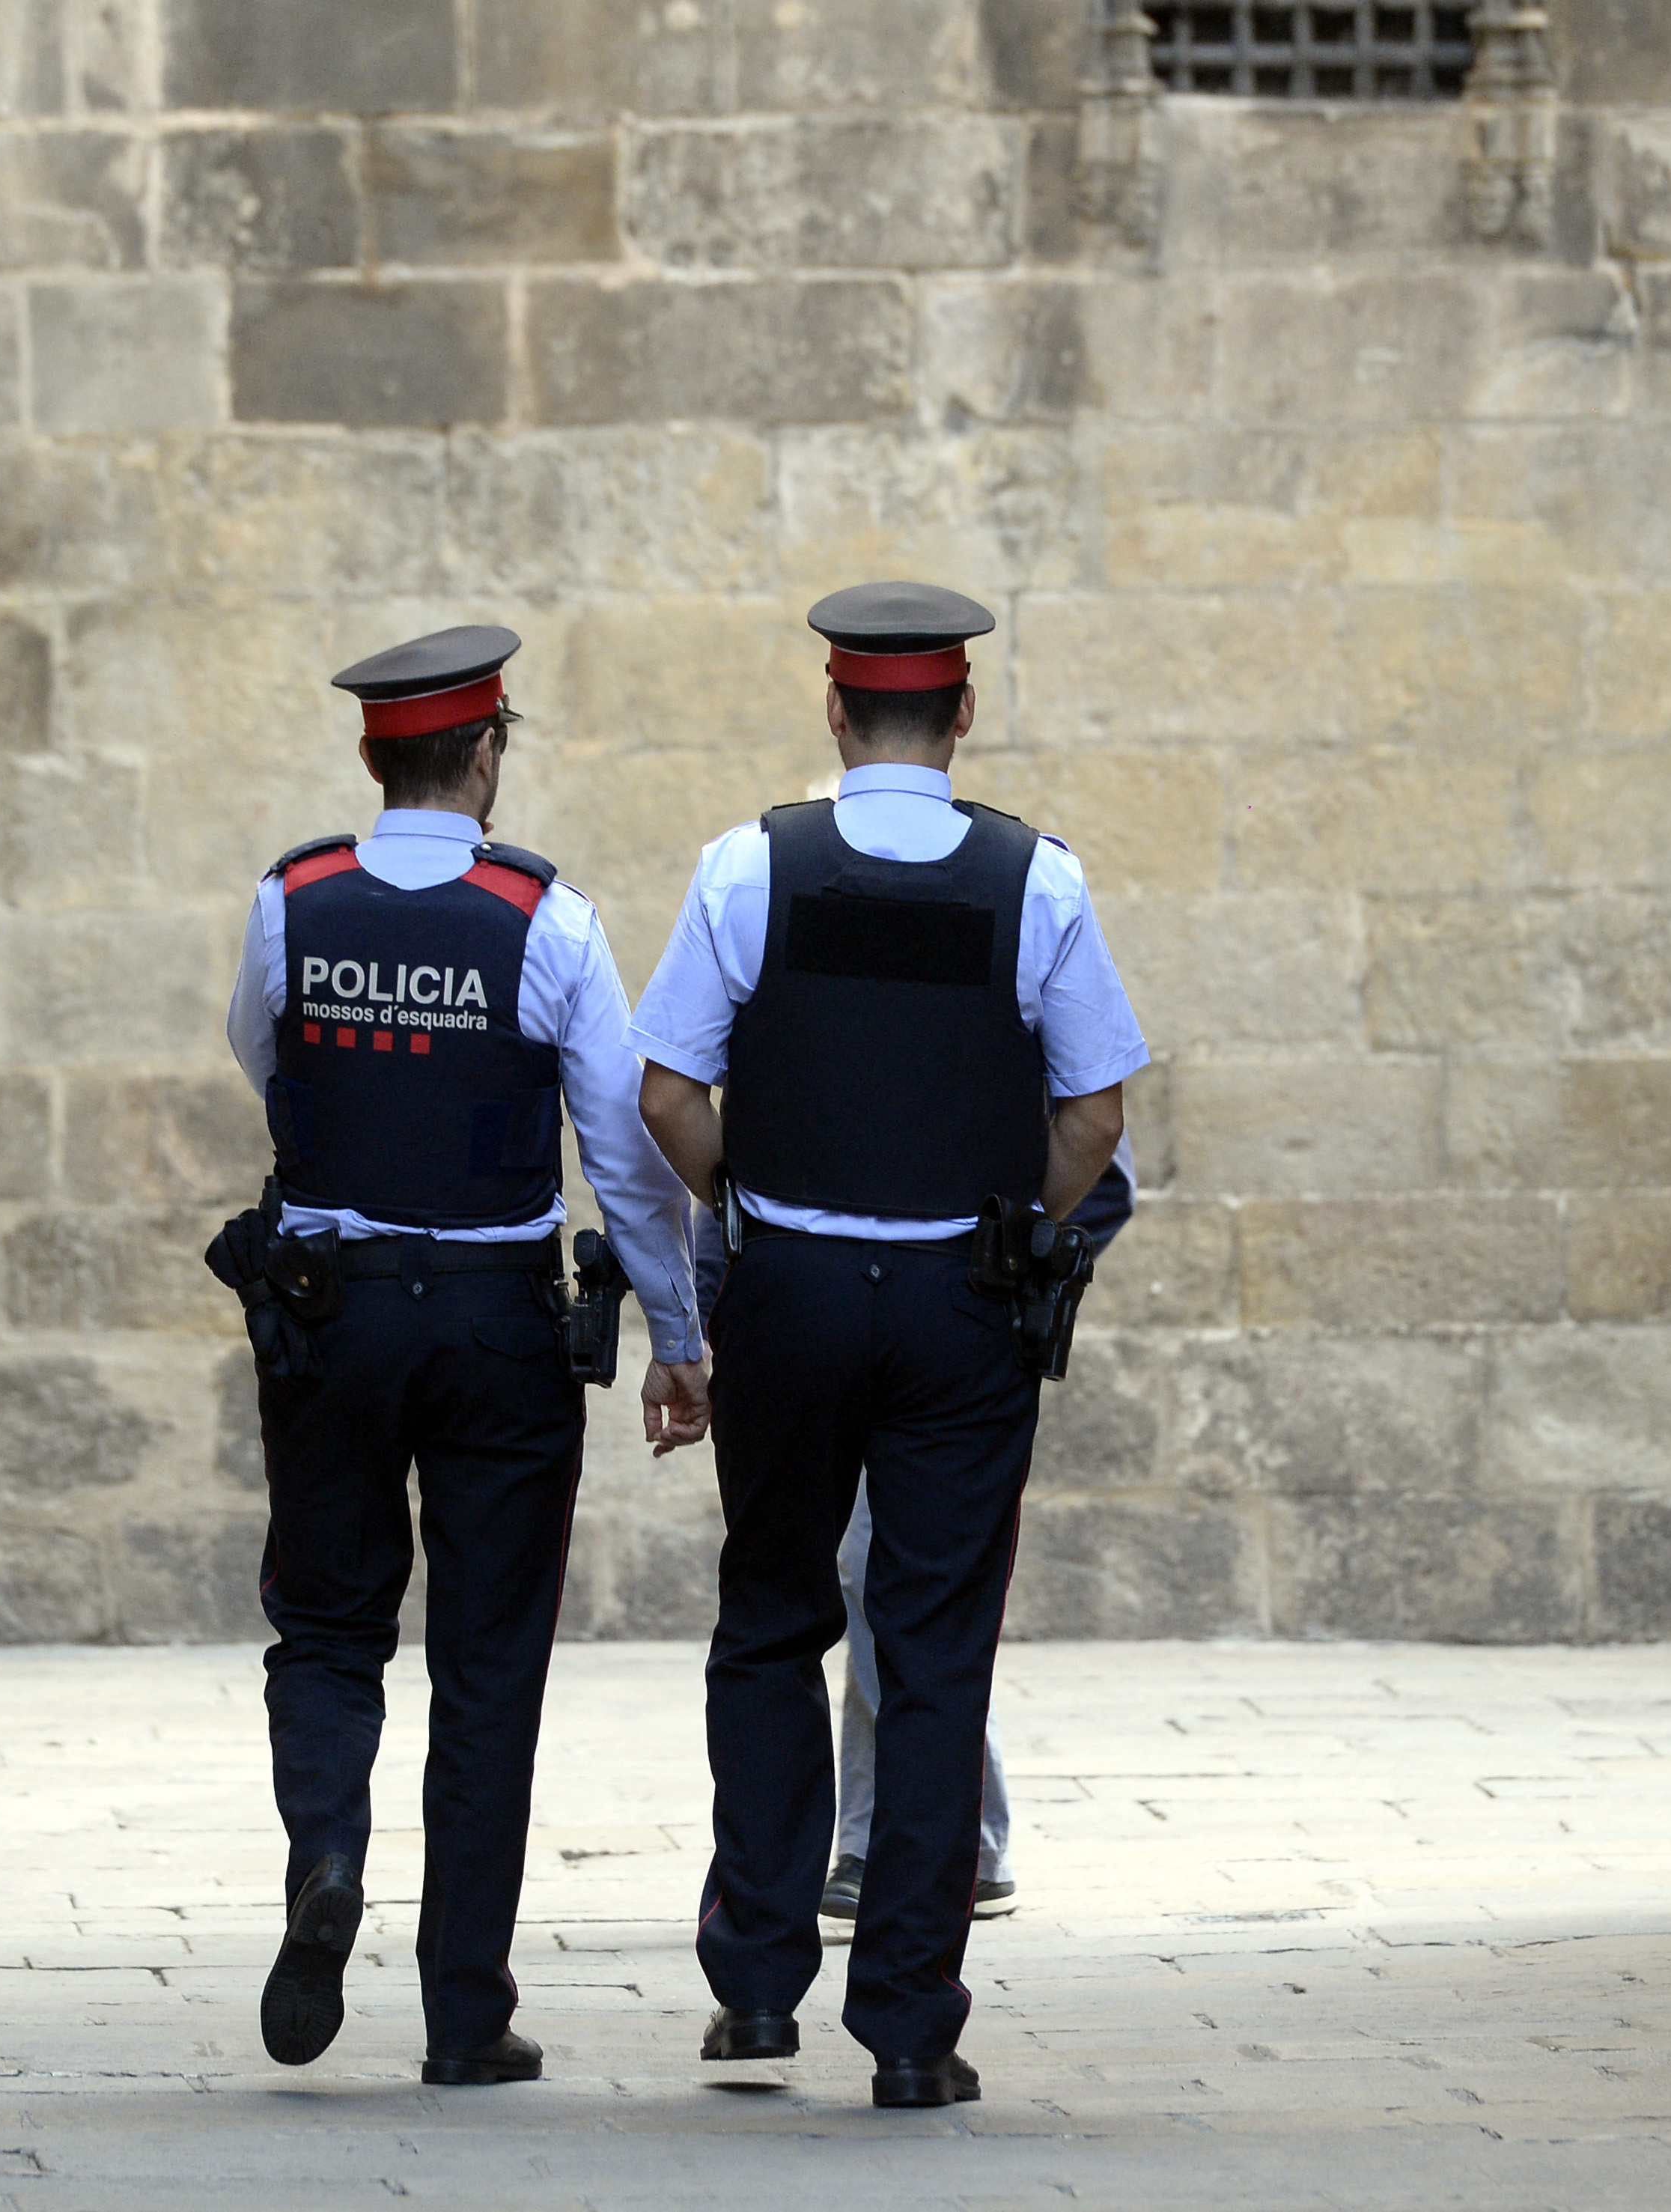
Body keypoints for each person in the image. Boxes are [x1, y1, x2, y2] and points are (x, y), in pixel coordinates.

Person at [632, 583, 1150, 2110]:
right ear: (964, 714)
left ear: (838, 713)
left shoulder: (749, 867)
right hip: (957, 1308)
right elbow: (1096, 1115)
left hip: (787, 1290)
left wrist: (754, 1194)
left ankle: (753, 1991)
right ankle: (912, 2021)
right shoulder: (1035, 880)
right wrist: (1012, 1228)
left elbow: (666, 1093)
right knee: (932, 1651)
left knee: (770, 1619)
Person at [215, 625, 710, 2088]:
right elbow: (623, 1153)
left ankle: (323, 1854)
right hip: (497, 1317)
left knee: (324, 1622)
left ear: (376, 756)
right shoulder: (544, 917)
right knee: (488, 1668)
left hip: (330, 1308)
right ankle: (462, 2009)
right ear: (485, 754)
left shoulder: (292, 899)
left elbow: (266, 1056)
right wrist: (679, 1338)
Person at [814, 1134, 1136, 1930]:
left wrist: (999, 1265)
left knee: (886, 1577)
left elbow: (1103, 1168)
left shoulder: (1004, 1008)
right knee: (874, 1582)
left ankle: (917, 1839)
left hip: (949, 1325)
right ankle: (944, 1840)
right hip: (834, 1317)